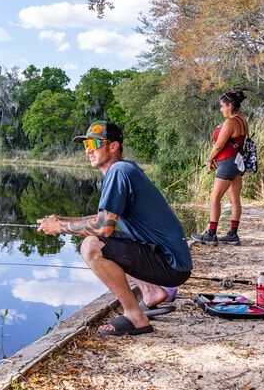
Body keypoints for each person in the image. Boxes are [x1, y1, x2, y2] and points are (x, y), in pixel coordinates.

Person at [37, 120, 193, 336]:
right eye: (86, 145)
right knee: (105, 241)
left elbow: (104, 227)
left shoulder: (118, 171)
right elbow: (103, 219)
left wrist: (60, 227)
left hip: (171, 264)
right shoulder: (125, 169)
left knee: (92, 246)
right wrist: (60, 219)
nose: (89, 150)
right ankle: (151, 292)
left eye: (94, 143)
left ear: (113, 146)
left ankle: (135, 316)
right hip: (169, 259)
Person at [191, 91, 249, 246]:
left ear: (230, 106)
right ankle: (232, 234)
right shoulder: (242, 120)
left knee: (214, 197)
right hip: (237, 163)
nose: (221, 109)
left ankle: (211, 233)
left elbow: (219, 145)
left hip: (228, 163)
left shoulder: (230, 122)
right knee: (234, 198)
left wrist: (210, 159)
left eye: (222, 106)